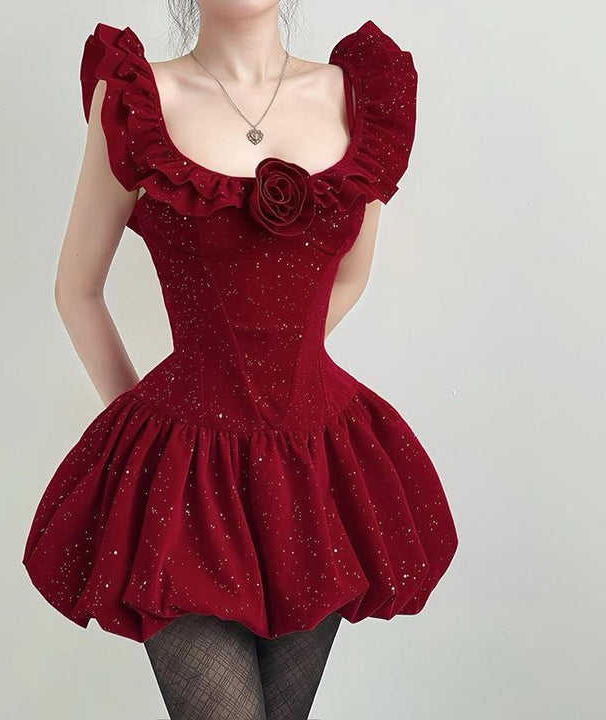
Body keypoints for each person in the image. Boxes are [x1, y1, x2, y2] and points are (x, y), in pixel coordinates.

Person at [22, 3, 459, 719]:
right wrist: (142, 447)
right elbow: (78, 289)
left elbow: (351, 276)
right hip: (183, 478)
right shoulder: (136, 97)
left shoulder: (361, 97)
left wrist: (276, 362)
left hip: (314, 469)